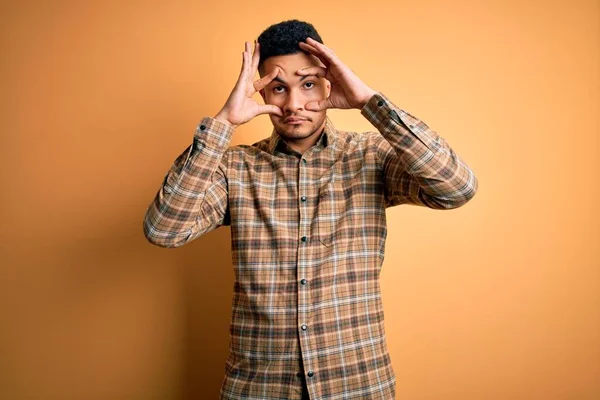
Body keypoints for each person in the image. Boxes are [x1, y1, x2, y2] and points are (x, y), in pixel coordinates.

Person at [143, 19, 478, 400]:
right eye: (278, 88)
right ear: (261, 89)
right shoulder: (234, 167)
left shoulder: (370, 155)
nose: (293, 104)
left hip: (357, 384)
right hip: (259, 388)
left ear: (329, 82)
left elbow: (457, 188)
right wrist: (223, 123)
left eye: (307, 84)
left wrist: (369, 103)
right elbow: (164, 230)